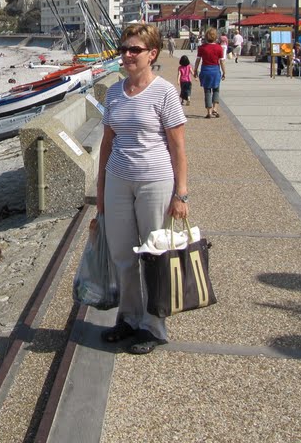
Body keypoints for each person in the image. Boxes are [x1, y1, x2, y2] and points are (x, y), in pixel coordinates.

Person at [96, 23, 188, 355]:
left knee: (154, 255)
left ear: (152, 54)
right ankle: (129, 318)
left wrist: (181, 194)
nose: (127, 55)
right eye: (124, 49)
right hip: (118, 181)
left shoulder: (164, 92)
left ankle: (154, 325)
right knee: (122, 254)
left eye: (135, 49)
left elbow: (178, 147)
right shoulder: (114, 92)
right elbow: (107, 143)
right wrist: (101, 189)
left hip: (155, 181)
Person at [195, 27, 226, 118]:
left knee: (207, 91)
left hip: (205, 70)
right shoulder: (219, 48)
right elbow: (222, 61)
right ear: (215, 37)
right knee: (216, 89)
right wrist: (224, 72)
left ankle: (208, 111)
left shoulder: (202, 48)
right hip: (215, 70)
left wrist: (195, 70)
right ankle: (215, 109)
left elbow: (198, 60)